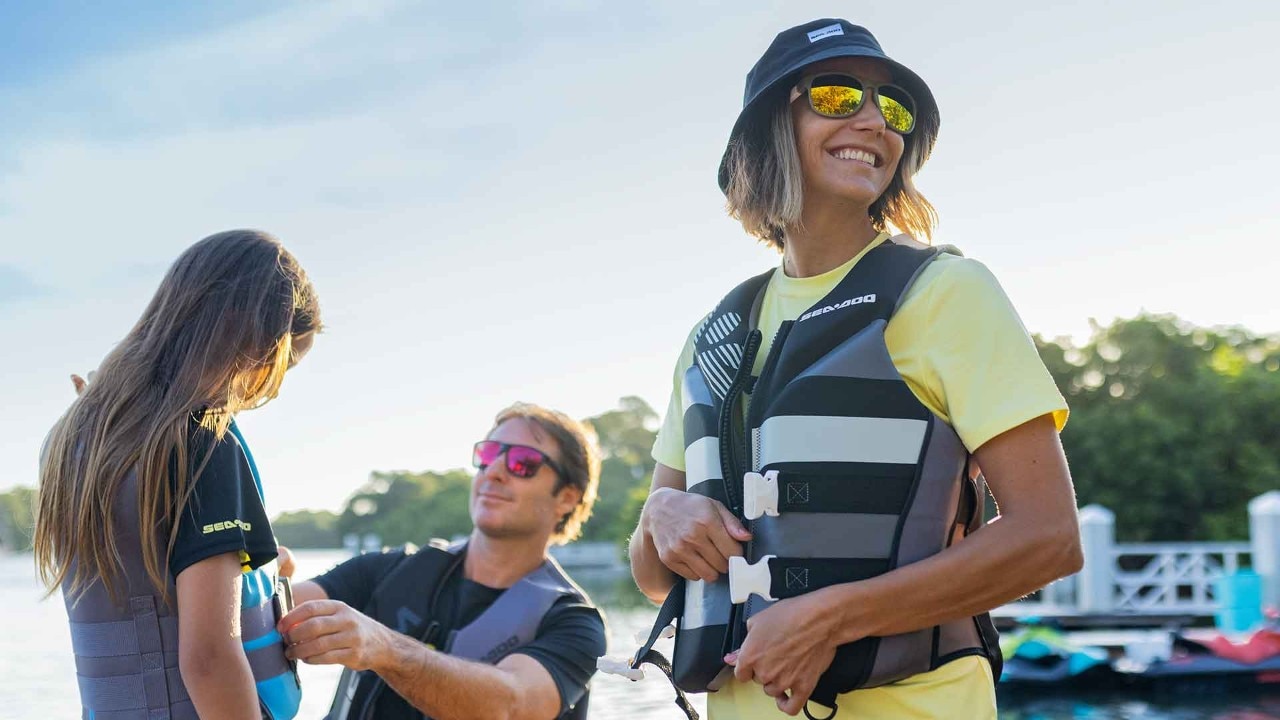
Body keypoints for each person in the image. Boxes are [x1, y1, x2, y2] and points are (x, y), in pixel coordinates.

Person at [625, 18, 1083, 720]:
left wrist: (831, 618)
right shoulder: (714, 334)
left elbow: (1048, 538)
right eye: (838, 97)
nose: (875, 122)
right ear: (767, 130)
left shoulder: (947, 293)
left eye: (893, 109)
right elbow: (654, 576)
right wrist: (661, 513)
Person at [34, 229, 321, 720]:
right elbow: (209, 659)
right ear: (256, 343)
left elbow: (143, 571)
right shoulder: (202, 440)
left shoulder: (76, 437)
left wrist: (264, 571)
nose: (266, 391)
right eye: (281, 367)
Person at [277, 403, 608, 720]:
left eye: (523, 462)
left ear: (567, 497)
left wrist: (386, 649)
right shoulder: (384, 571)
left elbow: (511, 706)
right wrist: (264, 584)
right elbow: (266, 620)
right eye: (489, 455)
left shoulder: (575, 624)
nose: (494, 471)